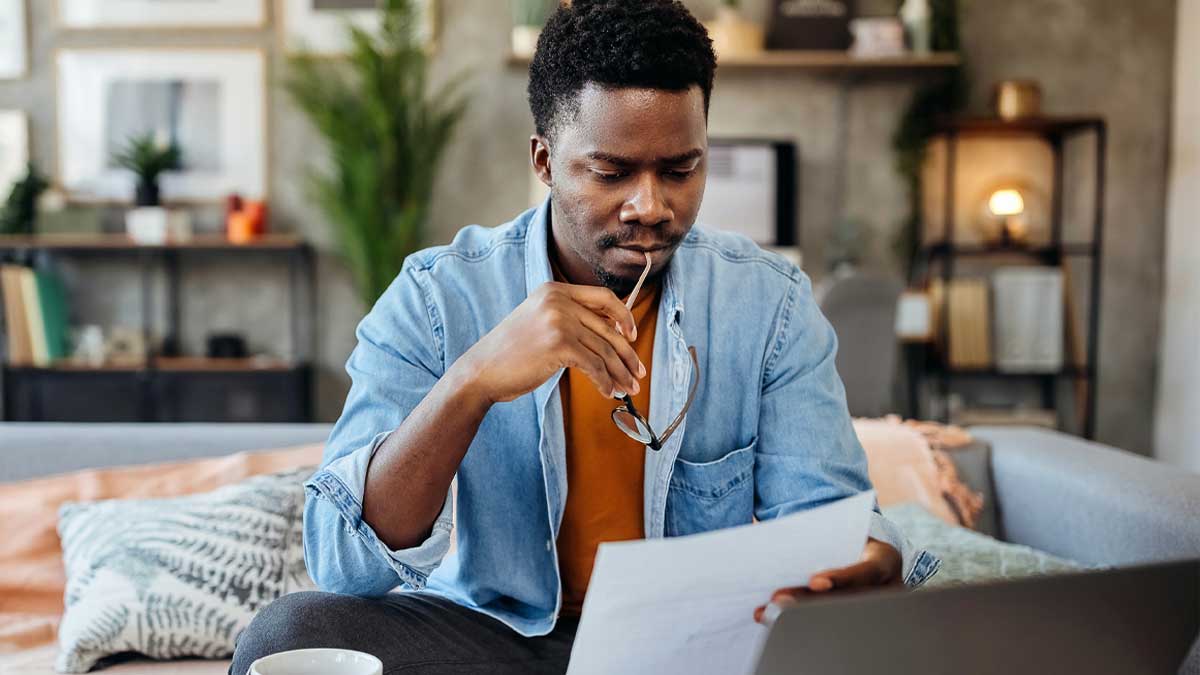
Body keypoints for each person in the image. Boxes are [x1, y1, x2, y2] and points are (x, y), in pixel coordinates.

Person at [231, 1, 938, 672]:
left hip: (691, 646)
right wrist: (473, 380)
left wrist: (864, 557)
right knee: (288, 636)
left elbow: (826, 521)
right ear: (543, 161)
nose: (650, 206)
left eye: (681, 170)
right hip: (500, 643)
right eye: (611, 172)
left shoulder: (768, 302)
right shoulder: (437, 296)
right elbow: (341, 560)